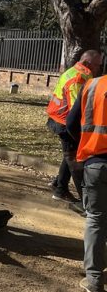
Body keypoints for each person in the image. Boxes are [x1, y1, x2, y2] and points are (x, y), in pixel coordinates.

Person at [66, 71, 107, 292]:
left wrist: (85, 141)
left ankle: (94, 280)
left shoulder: (92, 86)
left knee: (96, 218)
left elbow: (71, 123)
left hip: (96, 162)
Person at [46, 49, 103, 202]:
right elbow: (76, 109)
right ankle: (83, 200)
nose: (99, 68)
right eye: (97, 65)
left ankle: (59, 185)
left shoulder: (72, 71)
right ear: (87, 63)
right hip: (65, 122)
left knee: (69, 154)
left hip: (57, 117)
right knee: (75, 159)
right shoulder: (79, 78)